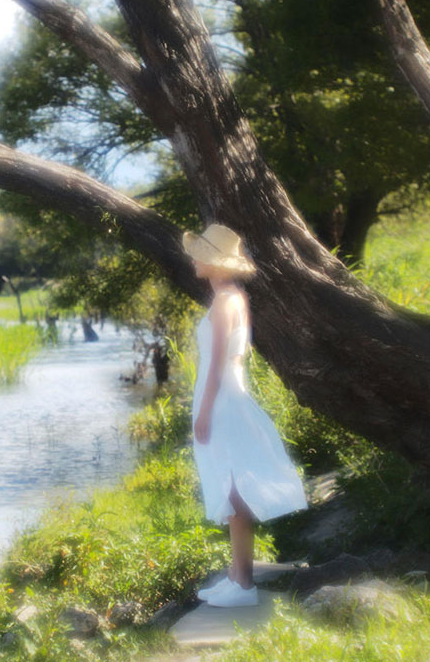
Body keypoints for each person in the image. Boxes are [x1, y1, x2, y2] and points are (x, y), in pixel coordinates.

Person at [182, 223, 308, 608]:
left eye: (200, 255)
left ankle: (244, 585)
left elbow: (219, 361)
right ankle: (238, 577)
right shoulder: (233, 296)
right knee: (230, 486)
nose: (193, 260)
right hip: (227, 395)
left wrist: (204, 410)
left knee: (234, 489)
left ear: (214, 262)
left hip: (221, 399)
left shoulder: (225, 301)